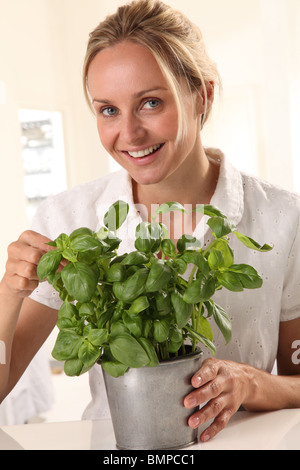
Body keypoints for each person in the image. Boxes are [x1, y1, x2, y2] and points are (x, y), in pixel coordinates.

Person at [1, 0, 300, 443]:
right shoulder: (67, 219)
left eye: (150, 103)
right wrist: (10, 290)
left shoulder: (283, 218)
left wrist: (250, 382)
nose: (129, 134)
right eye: (108, 110)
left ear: (203, 95)